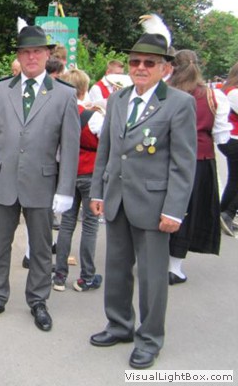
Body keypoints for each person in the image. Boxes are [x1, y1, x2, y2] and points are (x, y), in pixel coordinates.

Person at [88, 27, 197, 370]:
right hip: (117, 198)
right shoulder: (118, 99)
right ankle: (119, 325)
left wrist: (174, 211)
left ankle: (149, 339)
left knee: (152, 277)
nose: (140, 67)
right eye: (135, 61)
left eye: (149, 62)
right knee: (117, 268)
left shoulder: (179, 103)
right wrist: (98, 191)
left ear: (166, 68)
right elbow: (107, 150)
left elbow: (183, 163)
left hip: (154, 204)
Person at [0, 20, 80, 330]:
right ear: (18, 56)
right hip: (4, 180)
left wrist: (66, 188)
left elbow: (70, 146)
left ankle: (38, 300)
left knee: (42, 247)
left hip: (42, 182)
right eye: (25, 52)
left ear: (47, 55)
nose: (31, 57)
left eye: (37, 52)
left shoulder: (63, 95)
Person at [167, 50, 231, 283]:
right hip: (199, 161)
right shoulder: (213, 96)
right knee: (188, 212)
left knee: (161, 208)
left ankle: (153, 259)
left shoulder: (164, 91)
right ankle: (174, 268)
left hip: (164, 158)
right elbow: (222, 136)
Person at [52, 69, 104, 293]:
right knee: (90, 226)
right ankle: (86, 277)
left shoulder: (60, 114)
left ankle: (59, 275)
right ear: (84, 90)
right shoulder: (94, 117)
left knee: (66, 224)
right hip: (91, 174)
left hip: (68, 174)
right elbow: (106, 144)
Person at [218, 62, 238, 237]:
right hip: (233, 137)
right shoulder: (233, 92)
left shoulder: (228, 89)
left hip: (230, 138)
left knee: (234, 178)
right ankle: (228, 212)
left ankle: (225, 211)